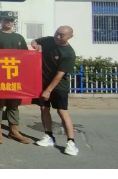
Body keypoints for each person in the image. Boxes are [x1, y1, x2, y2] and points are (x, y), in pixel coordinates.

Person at [31, 26, 78, 156]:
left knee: (62, 112)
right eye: (57, 33)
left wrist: (48, 90)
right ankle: (49, 136)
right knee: (44, 109)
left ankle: (71, 142)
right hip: (42, 82)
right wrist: (36, 45)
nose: (58, 37)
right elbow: (35, 41)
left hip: (58, 85)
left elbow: (59, 74)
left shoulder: (69, 53)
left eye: (62, 35)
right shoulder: (49, 40)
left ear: (70, 37)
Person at [0, 11, 32, 145]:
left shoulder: (19, 37)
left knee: (14, 104)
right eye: (6, 20)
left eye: (11, 20)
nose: (9, 22)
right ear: (0, 21)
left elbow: (25, 57)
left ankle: (14, 131)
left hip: (14, 76)